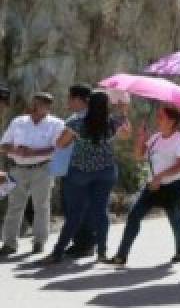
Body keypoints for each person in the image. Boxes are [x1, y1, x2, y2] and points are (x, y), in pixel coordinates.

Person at [49, 91, 130, 262]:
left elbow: (60, 143)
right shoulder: (112, 123)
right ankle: (102, 252)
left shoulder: (75, 123)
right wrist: (123, 112)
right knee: (101, 212)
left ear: (89, 104)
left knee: (75, 214)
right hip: (106, 172)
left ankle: (57, 252)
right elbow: (125, 135)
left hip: (80, 172)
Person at [109, 105, 180, 267]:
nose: (157, 120)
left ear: (172, 121)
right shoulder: (155, 138)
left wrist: (160, 176)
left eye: (161, 117)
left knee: (175, 219)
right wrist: (141, 138)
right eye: (158, 116)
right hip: (152, 186)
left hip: (174, 186)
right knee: (133, 216)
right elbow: (139, 156)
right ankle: (121, 255)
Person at [0, 92, 64, 256]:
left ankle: (39, 242)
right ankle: (9, 243)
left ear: (48, 107)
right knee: (14, 206)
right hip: (18, 168)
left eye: (42, 104)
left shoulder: (56, 124)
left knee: (41, 206)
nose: (37, 107)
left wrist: (34, 152)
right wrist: (15, 150)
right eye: (36, 103)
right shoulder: (18, 122)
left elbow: (57, 148)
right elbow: (4, 145)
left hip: (42, 169)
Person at [51, 84, 95, 257]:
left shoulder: (77, 120)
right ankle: (85, 243)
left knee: (74, 208)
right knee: (85, 207)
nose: (68, 101)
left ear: (78, 99)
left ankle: (82, 245)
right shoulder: (95, 117)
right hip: (88, 169)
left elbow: (62, 142)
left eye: (70, 98)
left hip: (76, 169)